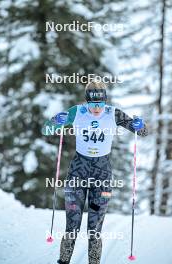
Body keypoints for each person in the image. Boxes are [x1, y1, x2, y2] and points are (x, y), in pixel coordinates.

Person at [42, 81, 148, 264]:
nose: (97, 108)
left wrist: (140, 125)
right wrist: (55, 121)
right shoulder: (77, 112)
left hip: (102, 176)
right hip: (77, 173)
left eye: (100, 104)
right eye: (92, 104)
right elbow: (46, 129)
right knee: (72, 225)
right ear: (87, 102)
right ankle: (63, 261)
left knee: (94, 227)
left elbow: (142, 132)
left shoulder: (113, 113)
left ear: (105, 101)